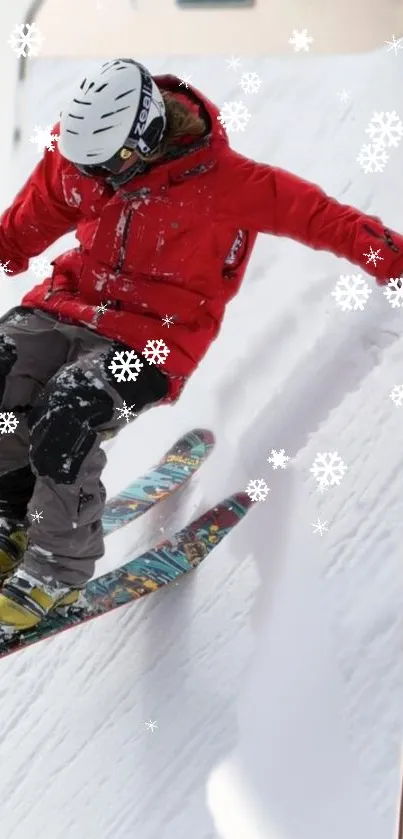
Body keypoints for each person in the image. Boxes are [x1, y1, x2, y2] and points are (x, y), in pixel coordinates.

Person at [0, 57, 402, 635]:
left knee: (69, 409)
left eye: (111, 164)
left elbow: (329, 221)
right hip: (65, 303)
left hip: (154, 338)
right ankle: (16, 514)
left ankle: (56, 572)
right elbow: (29, 220)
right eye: (87, 164)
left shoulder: (230, 184)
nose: (99, 177)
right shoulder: (81, 157)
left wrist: (397, 260)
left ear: (146, 132)